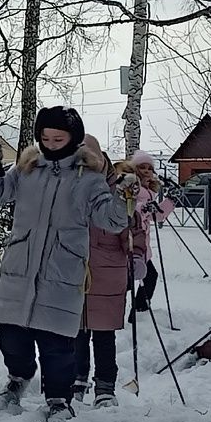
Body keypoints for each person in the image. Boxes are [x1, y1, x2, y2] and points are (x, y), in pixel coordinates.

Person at [0, 108, 133, 422]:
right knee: (11, 336)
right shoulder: (26, 169)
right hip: (20, 268)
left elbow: (112, 220)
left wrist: (123, 197)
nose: (50, 143)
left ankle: (59, 400)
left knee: (57, 344)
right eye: (45, 137)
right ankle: (16, 382)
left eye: (58, 138)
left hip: (61, 271)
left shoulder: (89, 178)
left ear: (73, 139)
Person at [73, 154, 149, 408]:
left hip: (107, 277)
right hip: (72, 275)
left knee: (104, 337)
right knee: (75, 334)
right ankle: (77, 379)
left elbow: (133, 229)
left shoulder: (116, 195)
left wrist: (136, 257)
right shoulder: (68, 193)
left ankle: (105, 387)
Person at [127, 151, 176, 322]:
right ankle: (137, 312)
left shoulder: (149, 190)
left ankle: (139, 311)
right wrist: (144, 208)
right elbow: (129, 208)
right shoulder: (130, 185)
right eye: (142, 167)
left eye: (149, 168)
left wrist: (170, 201)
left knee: (147, 276)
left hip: (142, 243)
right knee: (132, 279)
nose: (146, 171)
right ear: (135, 168)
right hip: (129, 241)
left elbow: (157, 216)